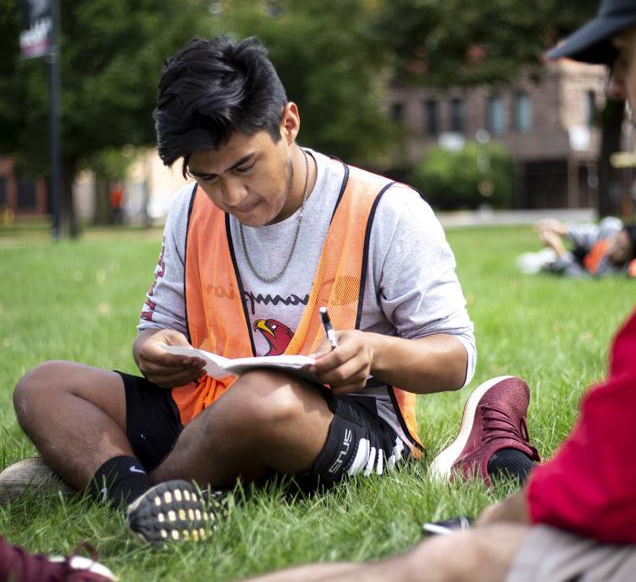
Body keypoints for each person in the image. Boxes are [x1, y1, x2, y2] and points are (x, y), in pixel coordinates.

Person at [240, 0, 636, 580]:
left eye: (621, 55)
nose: (615, 86)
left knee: (449, 566)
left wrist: (482, 534)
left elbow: (634, 457)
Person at [7, 37, 478, 546]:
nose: (231, 196)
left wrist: (376, 351)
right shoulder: (190, 210)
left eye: (244, 166)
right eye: (207, 177)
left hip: (335, 425)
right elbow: (159, 325)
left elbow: (456, 359)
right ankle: (140, 498)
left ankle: (129, 490)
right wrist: (154, 347)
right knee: (44, 386)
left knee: (262, 403)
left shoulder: (389, 211)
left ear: (288, 123)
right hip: (206, 408)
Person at [516, 216, 636, 277]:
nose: (612, 248)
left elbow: (576, 274)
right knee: (524, 261)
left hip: (567, 264)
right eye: (616, 241)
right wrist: (560, 229)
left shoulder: (612, 273)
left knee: (533, 265)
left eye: (622, 250)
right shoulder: (610, 230)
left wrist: (557, 248)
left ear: (631, 258)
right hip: (574, 256)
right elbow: (588, 234)